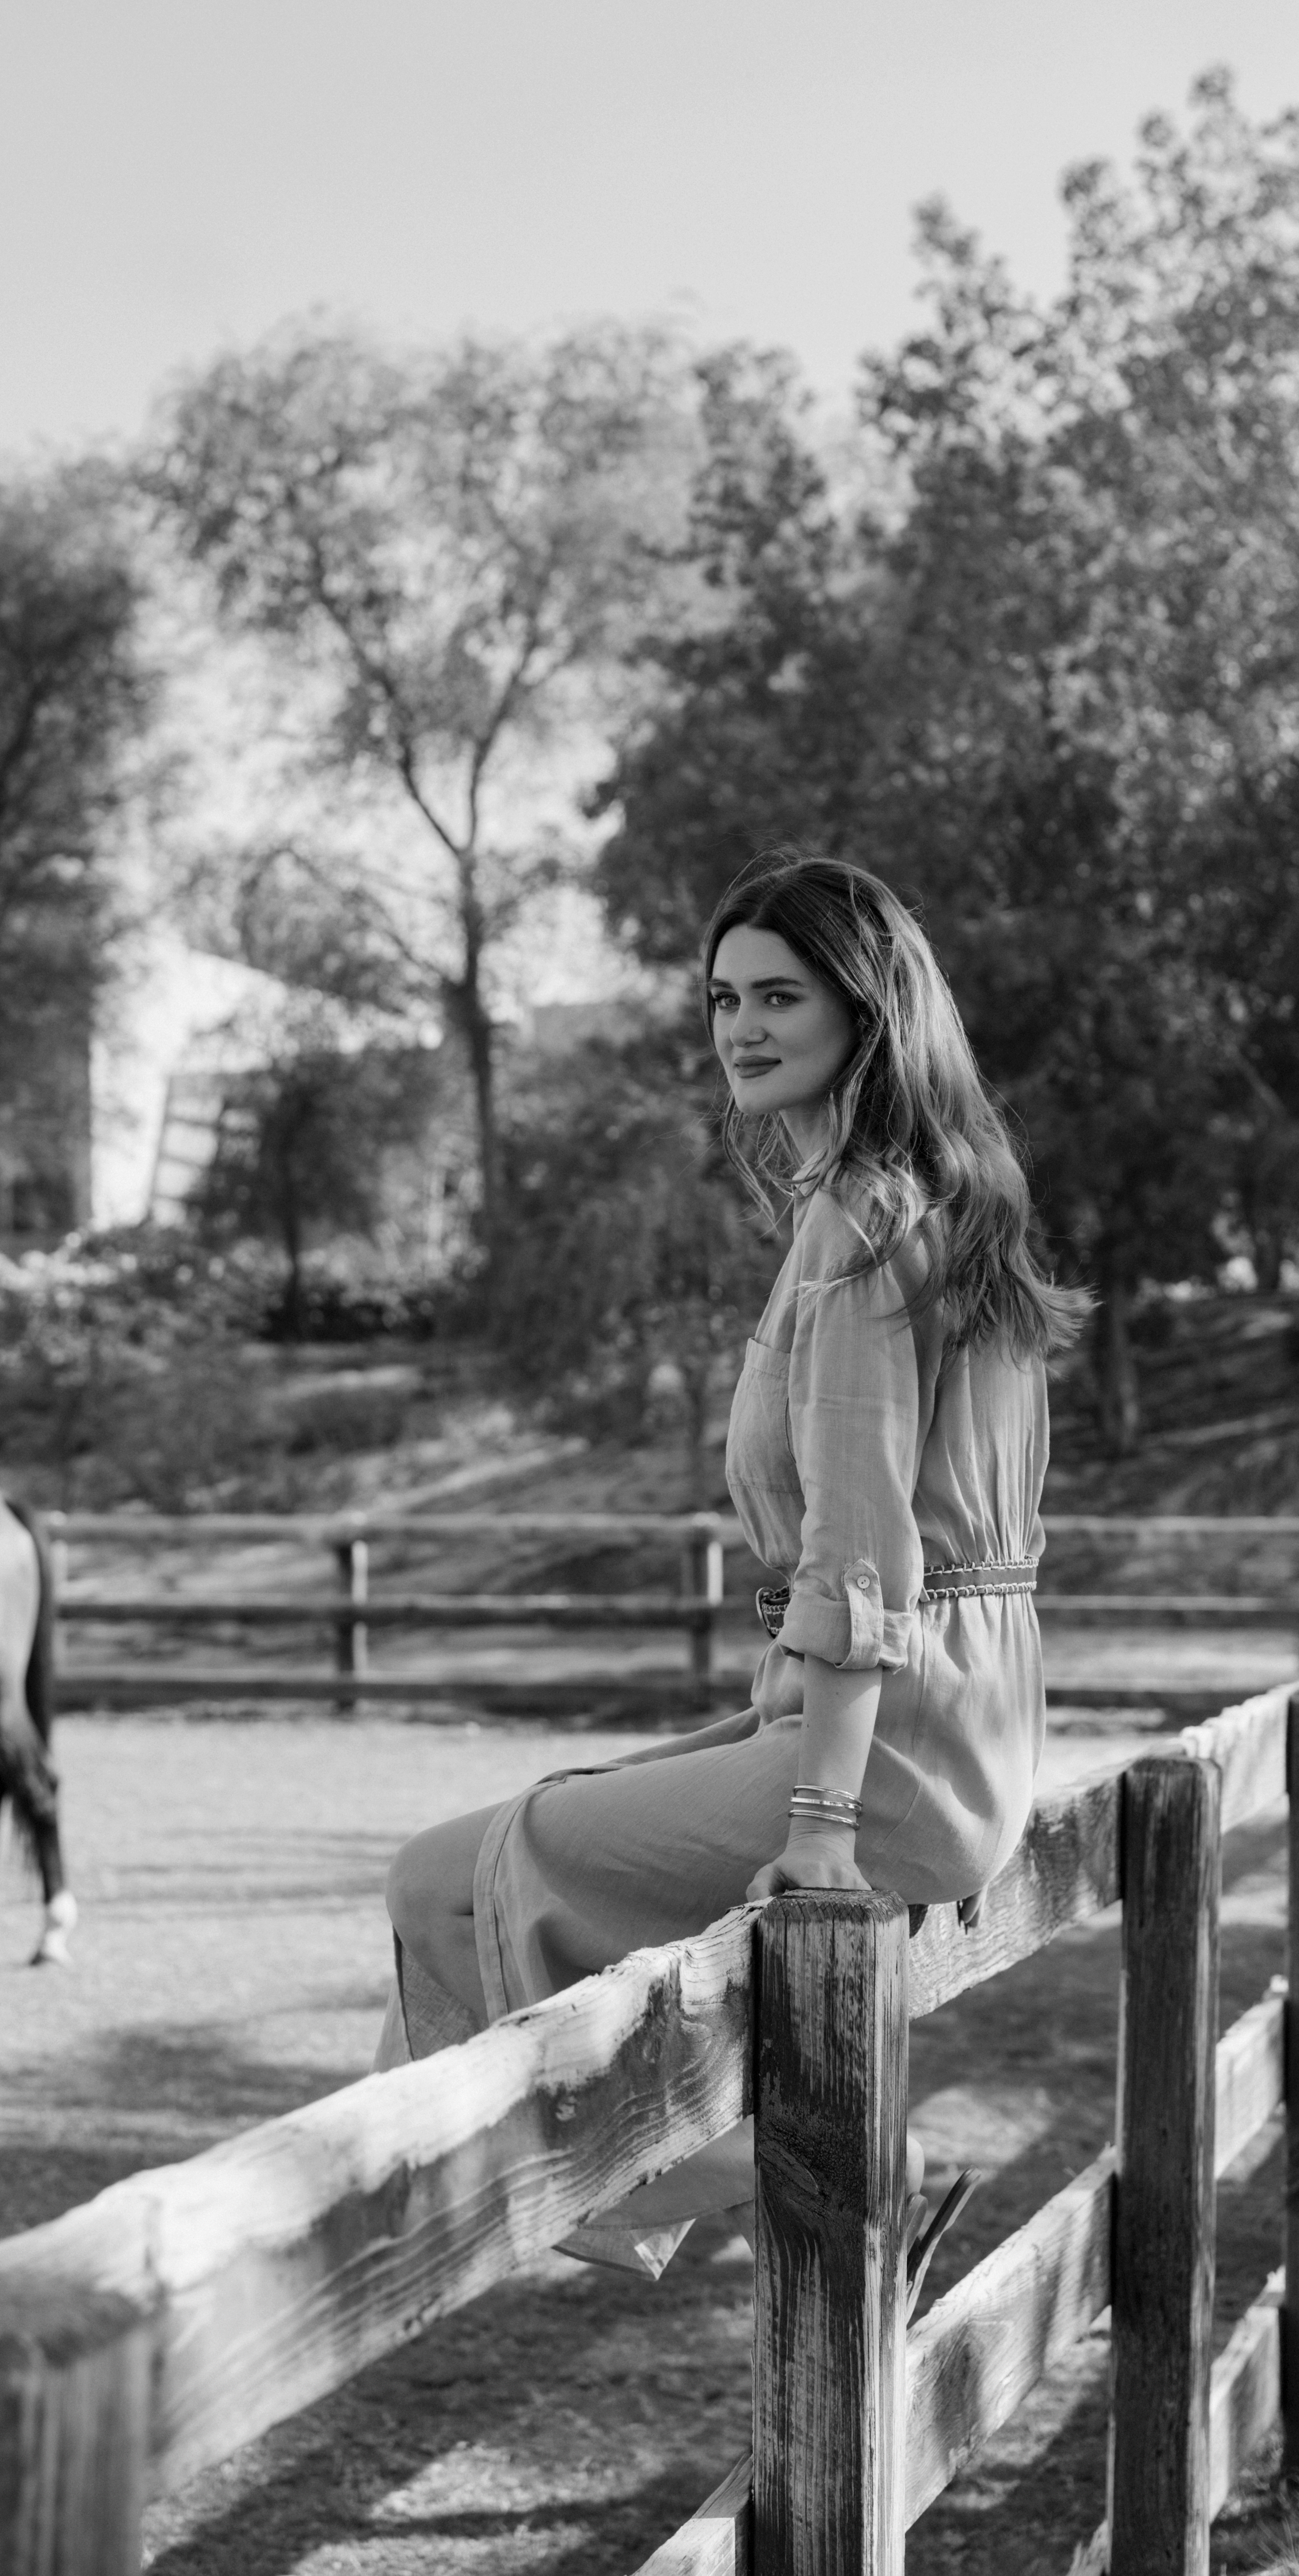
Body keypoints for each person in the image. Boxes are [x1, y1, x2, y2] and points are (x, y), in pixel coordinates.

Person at [377, 849, 1089, 2268]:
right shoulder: (951, 1198)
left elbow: (860, 1547)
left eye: (780, 994)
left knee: (443, 1875)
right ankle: (767, 2184)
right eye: (721, 1000)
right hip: (952, 1736)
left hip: (882, 1760)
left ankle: (815, 2169)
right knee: (543, 1822)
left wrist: (820, 1823)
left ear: (866, 1011)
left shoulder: (862, 1221)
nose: (741, 1029)